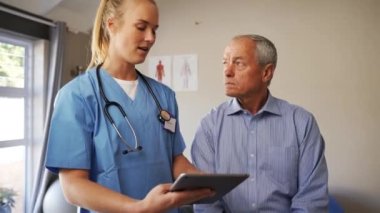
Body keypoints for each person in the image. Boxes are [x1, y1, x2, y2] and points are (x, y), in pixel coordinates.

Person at [44, 0, 213, 212]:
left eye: (154, 30)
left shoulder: (164, 96)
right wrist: (139, 208)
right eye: (141, 27)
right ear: (111, 25)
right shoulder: (76, 97)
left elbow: (175, 159)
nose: (150, 38)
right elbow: (72, 186)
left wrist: (203, 181)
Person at [191, 34, 328, 212]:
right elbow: (206, 204)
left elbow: (311, 201)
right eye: (225, 62)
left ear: (266, 72)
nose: (227, 71)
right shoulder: (209, 126)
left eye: (238, 63)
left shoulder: (302, 124)